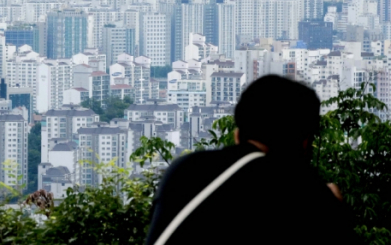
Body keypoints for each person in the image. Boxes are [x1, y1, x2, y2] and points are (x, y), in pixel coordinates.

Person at [146, 75, 360, 244]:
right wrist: (335, 214)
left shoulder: (186, 169)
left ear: (237, 135)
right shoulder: (308, 194)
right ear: (305, 143)